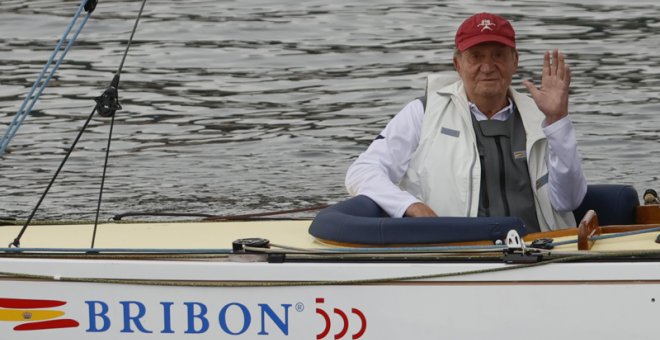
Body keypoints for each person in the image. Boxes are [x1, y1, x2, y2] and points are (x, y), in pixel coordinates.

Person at [345, 12, 587, 232]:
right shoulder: (422, 112)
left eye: (498, 55)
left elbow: (569, 201)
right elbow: (361, 173)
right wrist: (411, 205)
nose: (488, 67)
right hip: (456, 255)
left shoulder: (544, 117)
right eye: (476, 56)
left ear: (515, 61)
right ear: (458, 64)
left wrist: (558, 121)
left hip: (540, 253)